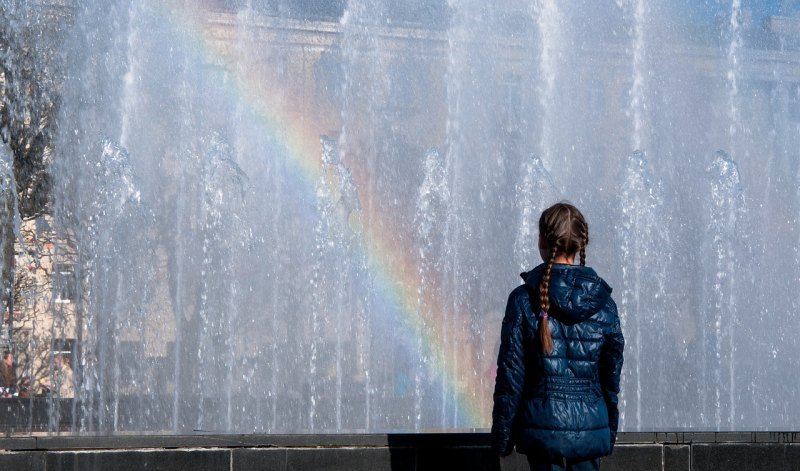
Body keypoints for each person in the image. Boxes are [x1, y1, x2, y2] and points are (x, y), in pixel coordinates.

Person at [491, 202, 625, 471]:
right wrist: (608, 429)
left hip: (543, 431)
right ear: (579, 243)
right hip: (590, 427)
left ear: (542, 239)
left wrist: (502, 438)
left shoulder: (523, 300)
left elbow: (511, 376)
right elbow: (611, 377)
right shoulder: (604, 305)